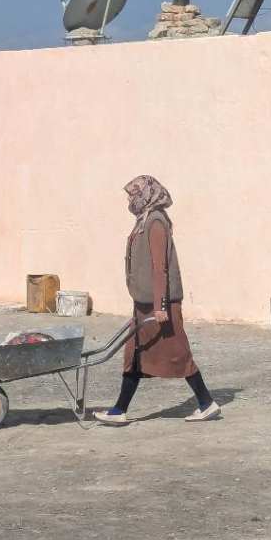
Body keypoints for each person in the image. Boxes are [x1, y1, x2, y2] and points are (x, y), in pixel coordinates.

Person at [95, 175, 221, 426]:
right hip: (145, 304)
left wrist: (161, 305)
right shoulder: (144, 220)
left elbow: (159, 266)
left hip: (160, 306)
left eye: (134, 194)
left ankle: (206, 403)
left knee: (179, 355)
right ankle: (119, 409)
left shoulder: (155, 222)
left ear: (147, 195)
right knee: (135, 354)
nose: (130, 200)